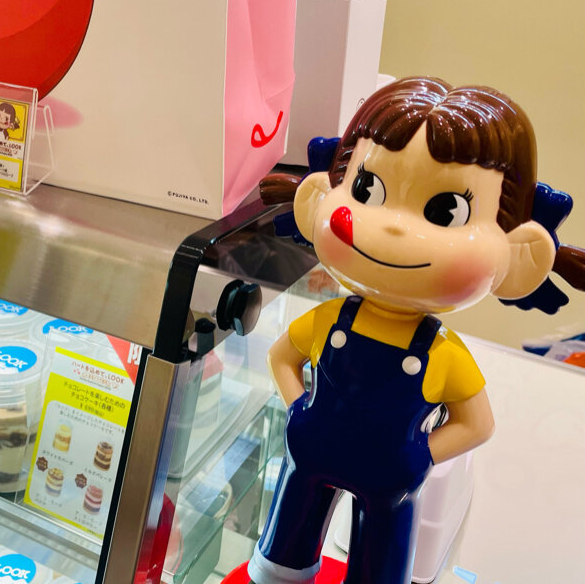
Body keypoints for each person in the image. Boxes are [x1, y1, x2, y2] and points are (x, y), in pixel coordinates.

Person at [246, 77, 585, 584]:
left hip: (389, 483)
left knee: (379, 564)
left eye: (446, 211)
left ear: (519, 252)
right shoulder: (329, 320)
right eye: (366, 189)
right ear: (319, 195)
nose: (393, 227)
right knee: (282, 556)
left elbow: (478, 424)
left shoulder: (442, 353)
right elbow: (281, 357)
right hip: (310, 456)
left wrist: (419, 456)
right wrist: (299, 411)